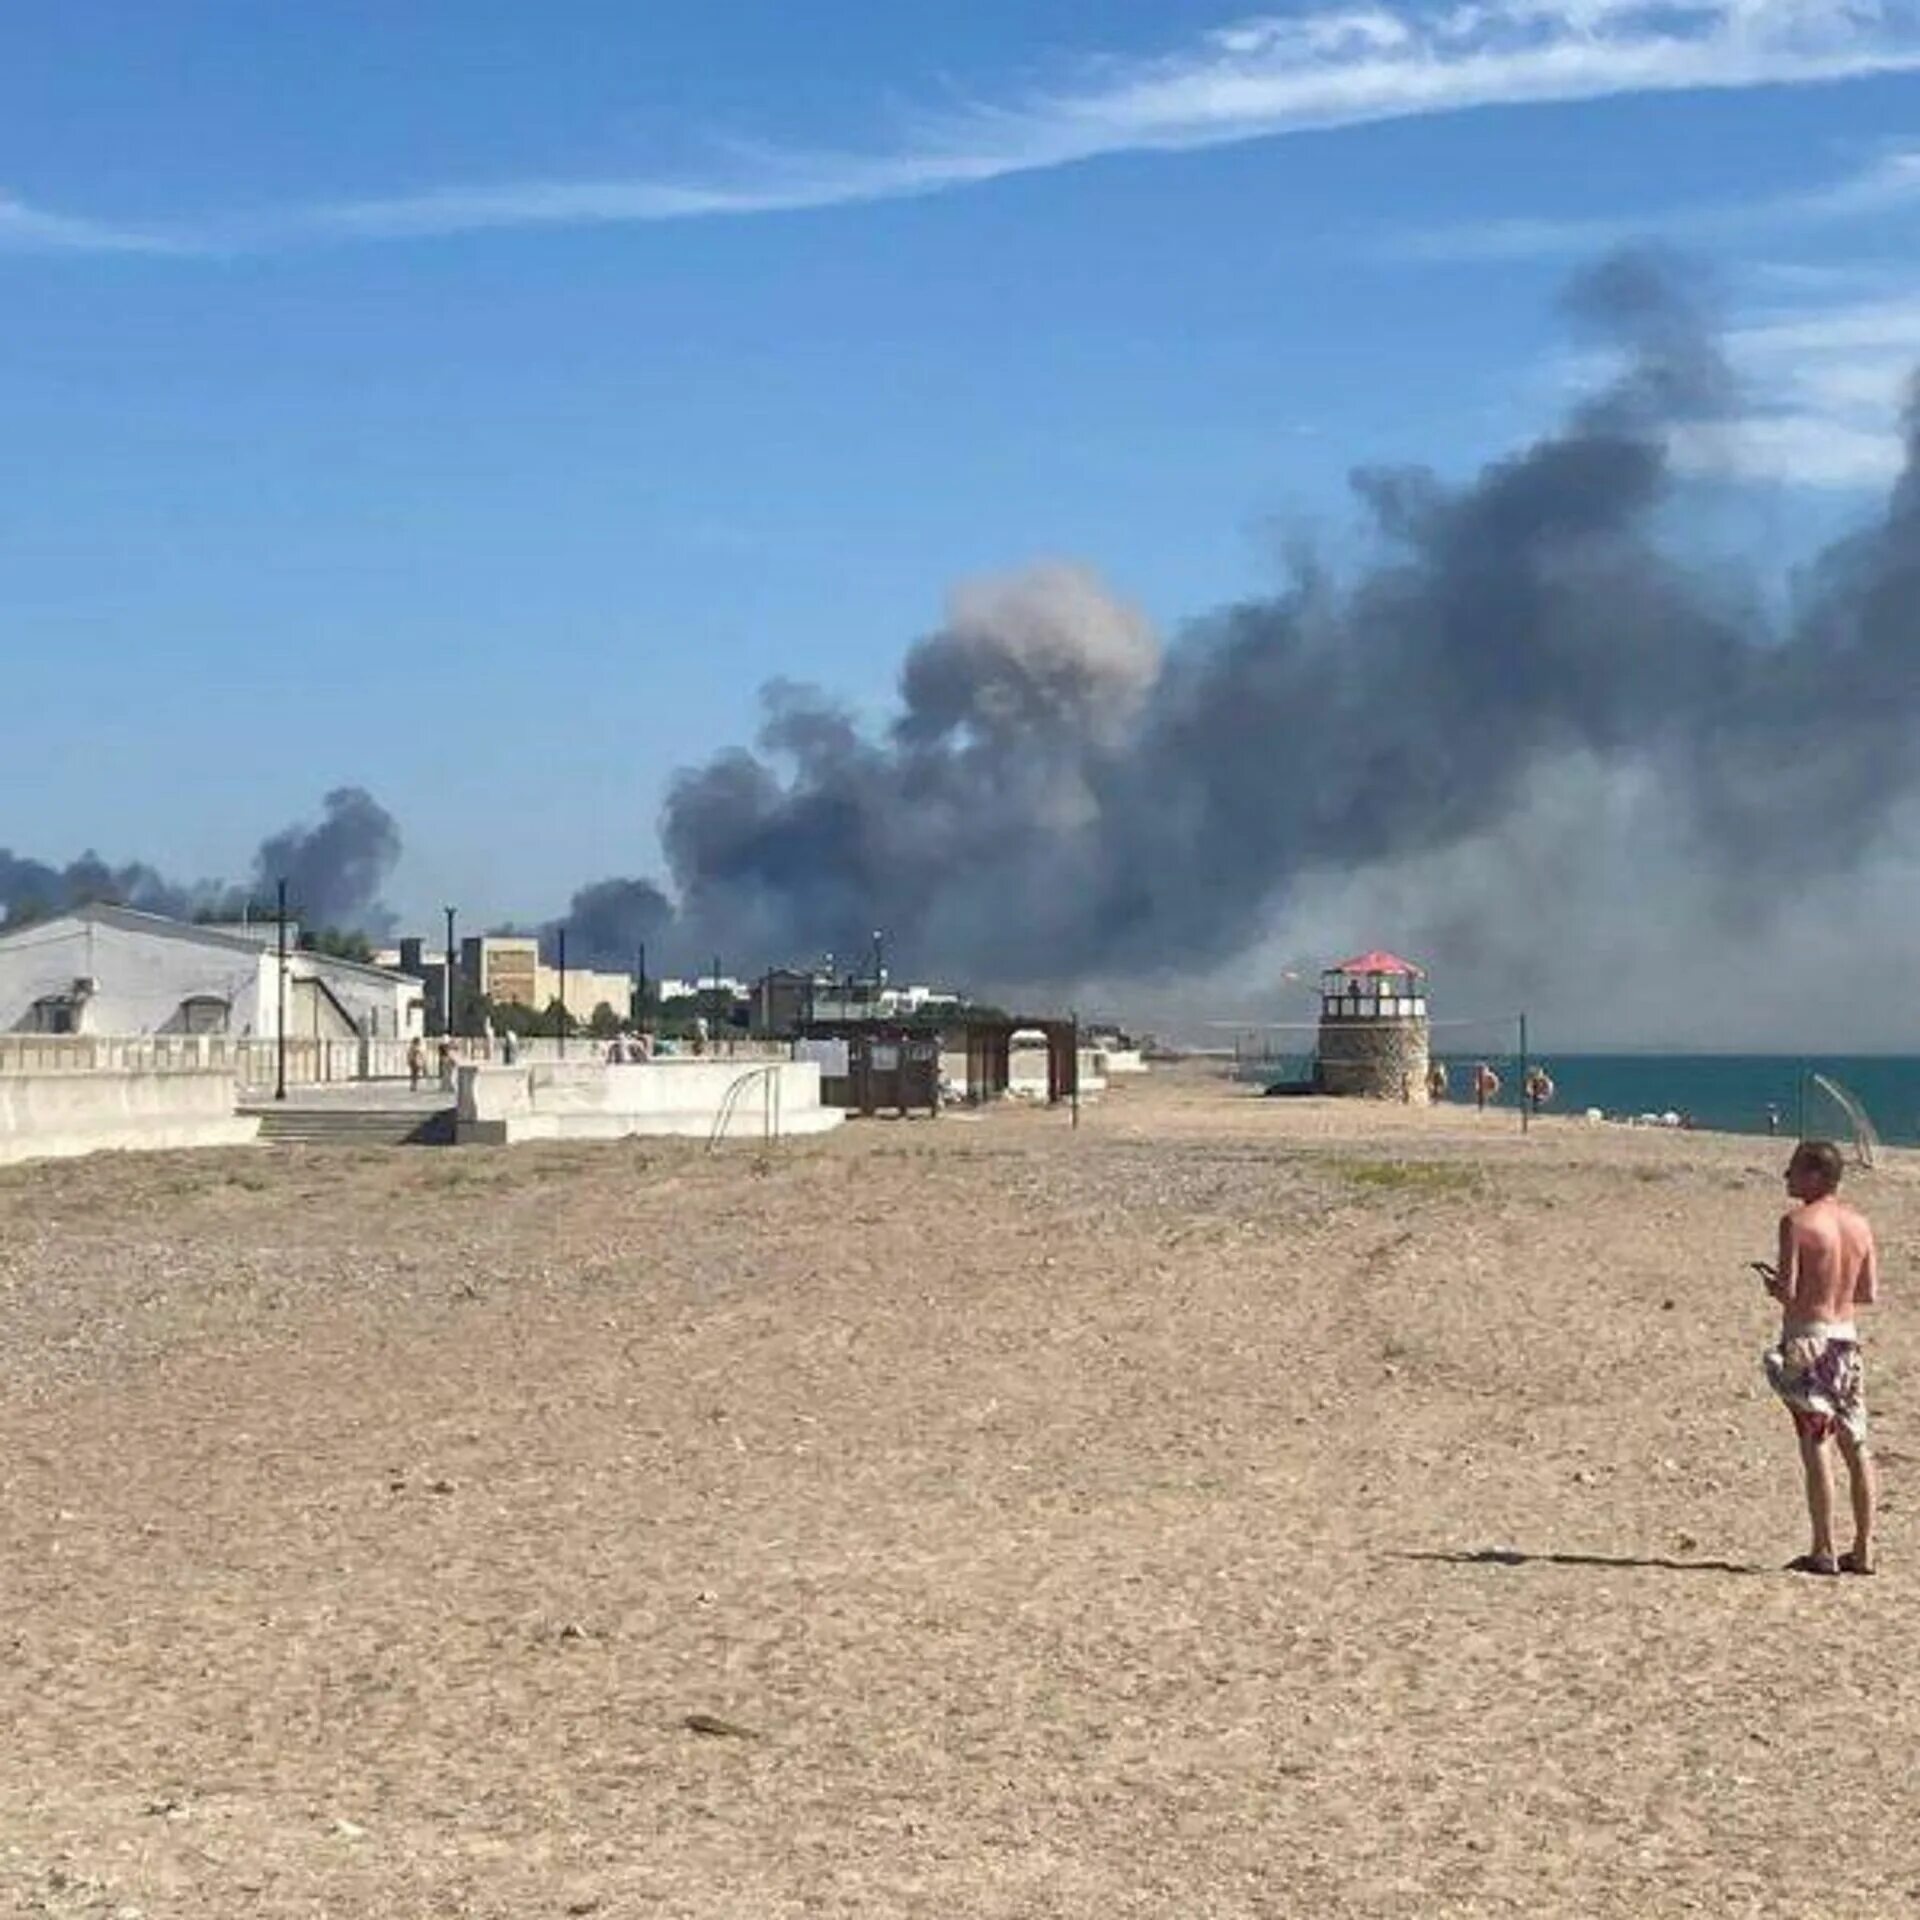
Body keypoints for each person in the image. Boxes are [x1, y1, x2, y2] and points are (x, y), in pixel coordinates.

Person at [1757, 1140, 1879, 1575]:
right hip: (1847, 1340)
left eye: (1793, 1170)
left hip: (1809, 1339)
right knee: (1857, 1444)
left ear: (1814, 1175)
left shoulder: (1796, 1222)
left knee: (1817, 1444)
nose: (1787, 1178)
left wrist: (1775, 1289)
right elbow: (1867, 1292)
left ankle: (1823, 1547)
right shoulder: (1860, 1224)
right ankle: (1864, 1547)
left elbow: (1790, 1292)